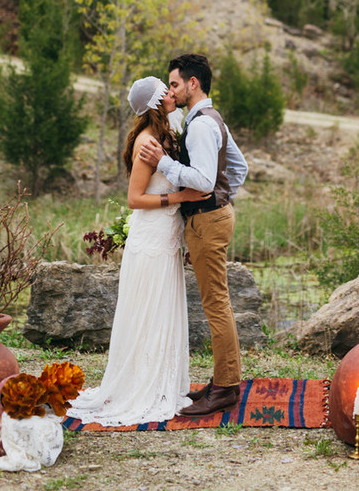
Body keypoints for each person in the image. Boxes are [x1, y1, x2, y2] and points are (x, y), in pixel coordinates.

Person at [66, 76, 211, 427]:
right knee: (149, 312)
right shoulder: (147, 141)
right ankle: (142, 388)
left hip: (166, 238)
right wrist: (181, 197)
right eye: (167, 91)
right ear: (157, 101)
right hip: (150, 240)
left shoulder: (165, 134)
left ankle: (161, 383)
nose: (172, 94)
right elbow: (135, 199)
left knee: (162, 310)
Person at [139, 53, 248, 417]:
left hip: (207, 221)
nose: (171, 90)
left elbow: (201, 179)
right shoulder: (211, 119)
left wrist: (164, 164)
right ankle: (222, 381)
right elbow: (239, 167)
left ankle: (227, 388)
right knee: (217, 301)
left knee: (216, 303)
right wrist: (224, 196)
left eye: (174, 84)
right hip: (214, 215)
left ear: (192, 83)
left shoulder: (201, 125)